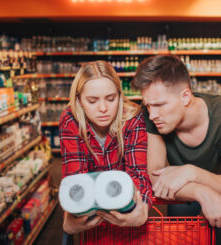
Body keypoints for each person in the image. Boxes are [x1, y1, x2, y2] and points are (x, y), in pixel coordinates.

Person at [132, 55, 221, 241]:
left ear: (185, 97)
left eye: (159, 105)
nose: (152, 114)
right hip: (182, 195)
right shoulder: (151, 115)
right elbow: (156, 178)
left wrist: (192, 172)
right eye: (148, 105)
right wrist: (201, 192)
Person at [59, 61, 152, 238]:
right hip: (91, 218)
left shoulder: (132, 117)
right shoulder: (71, 120)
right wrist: (71, 215)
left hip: (125, 205)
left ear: (119, 95)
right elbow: (75, 179)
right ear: (79, 100)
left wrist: (142, 210)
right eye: (92, 101)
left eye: (111, 99)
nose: (103, 108)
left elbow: (138, 173)